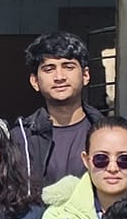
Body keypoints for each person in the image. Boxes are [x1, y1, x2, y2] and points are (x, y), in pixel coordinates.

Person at [12, 31, 97, 189]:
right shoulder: (21, 138)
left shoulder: (105, 130)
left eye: (68, 67)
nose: (59, 77)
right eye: (49, 69)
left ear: (85, 75)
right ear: (35, 81)